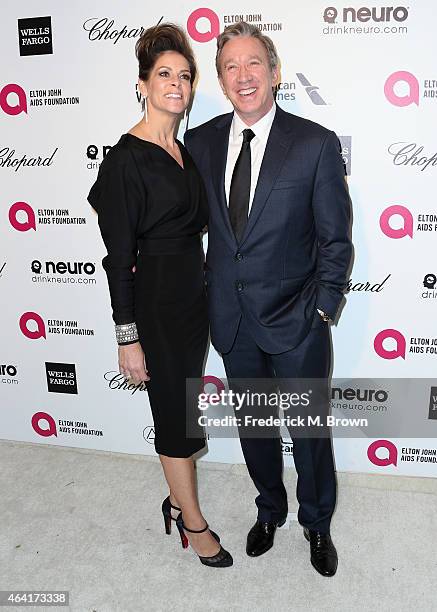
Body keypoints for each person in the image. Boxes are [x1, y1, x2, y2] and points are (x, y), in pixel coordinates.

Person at [185, 21, 352, 576]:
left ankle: (318, 523)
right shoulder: (201, 142)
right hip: (232, 322)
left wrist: (322, 310)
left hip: (298, 321)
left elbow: (335, 240)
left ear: (274, 72)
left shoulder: (314, 143)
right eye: (230, 66)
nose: (242, 75)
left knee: (308, 433)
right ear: (222, 79)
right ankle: (270, 510)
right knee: (255, 430)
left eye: (253, 63)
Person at [88, 23, 232, 568]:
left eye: (185, 76)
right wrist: (128, 339)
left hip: (192, 305)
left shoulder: (184, 148)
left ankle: (176, 499)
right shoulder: (127, 158)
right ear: (143, 84)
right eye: (164, 74)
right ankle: (193, 525)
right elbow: (117, 259)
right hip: (154, 309)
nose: (176, 84)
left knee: (184, 413)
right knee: (174, 420)